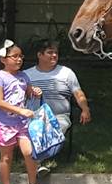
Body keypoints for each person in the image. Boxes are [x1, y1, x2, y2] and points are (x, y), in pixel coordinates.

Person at [0, 40, 45, 184]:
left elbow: (29, 93)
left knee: (29, 153)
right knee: (6, 157)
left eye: (21, 56)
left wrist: (35, 91)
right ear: (3, 60)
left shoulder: (23, 76)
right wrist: (20, 110)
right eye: (14, 56)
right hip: (5, 124)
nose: (19, 59)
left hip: (23, 124)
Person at [24, 39, 91, 172]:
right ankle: (38, 164)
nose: (54, 55)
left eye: (56, 53)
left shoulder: (66, 73)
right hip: (34, 116)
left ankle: (36, 162)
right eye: (50, 52)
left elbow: (78, 93)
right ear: (39, 55)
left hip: (59, 116)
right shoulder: (27, 75)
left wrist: (85, 109)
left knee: (54, 130)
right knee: (34, 130)